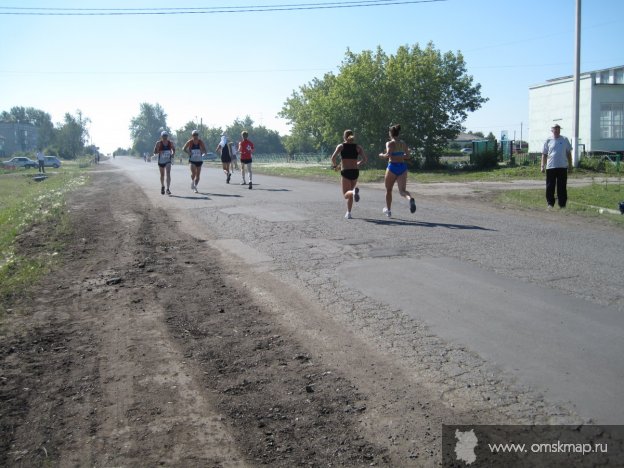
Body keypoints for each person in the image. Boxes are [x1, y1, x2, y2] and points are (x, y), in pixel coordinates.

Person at [378, 124, 416, 217]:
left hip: (392, 167)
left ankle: (389, 211)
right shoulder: (403, 143)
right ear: (398, 133)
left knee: (389, 190)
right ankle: (410, 199)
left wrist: (381, 155)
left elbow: (388, 155)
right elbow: (407, 156)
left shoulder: (390, 143)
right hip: (402, 167)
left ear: (391, 133)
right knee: (402, 191)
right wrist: (400, 156)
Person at [330, 129, 367, 219]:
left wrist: (335, 167)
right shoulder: (358, 147)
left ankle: (354, 192)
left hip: (346, 171)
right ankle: (349, 213)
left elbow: (333, 158)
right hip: (355, 172)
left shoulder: (341, 146)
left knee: (346, 194)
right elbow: (365, 159)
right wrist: (358, 163)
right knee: (350, 193)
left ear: (344, 137)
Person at [541, 124, 572, 209]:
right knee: (550, 186)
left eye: (558, 129)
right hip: (551, 166)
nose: (557, 131)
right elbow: (544, 154)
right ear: (552, 130)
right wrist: (542, 166)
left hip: (562, 166)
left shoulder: (565, 139)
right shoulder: (548, 140)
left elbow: (568, 153)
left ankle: (562, 204)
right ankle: (550, 203)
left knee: (562, 186)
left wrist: (570, 165)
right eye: (555, 129)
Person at [153, 131, 175, 195]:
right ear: (161, 137)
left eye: (166, 136)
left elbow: (174, 149)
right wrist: (158, 151)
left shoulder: (170, 143)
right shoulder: (158, 143)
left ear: (167, 136)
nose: (165, 137)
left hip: (168, 160)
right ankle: (162, 186)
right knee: (162, 174)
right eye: (163, 136)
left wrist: (173, 154)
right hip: (161, 160)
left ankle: (168, 189)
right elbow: (154, 152)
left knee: (168, 173)